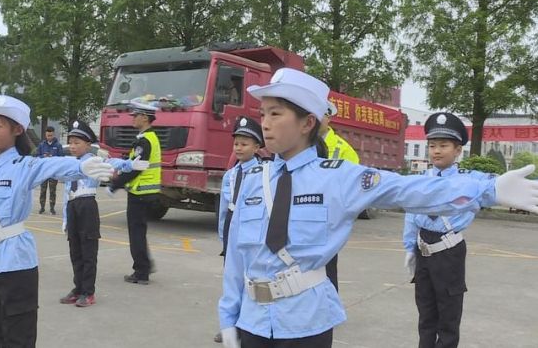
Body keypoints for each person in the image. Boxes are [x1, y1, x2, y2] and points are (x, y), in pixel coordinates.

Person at [218, 68, 538, 348]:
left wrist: (490, 189)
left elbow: (411, 189)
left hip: (306, 322)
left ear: (307, 123)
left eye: (276, 114)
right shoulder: (252, 180)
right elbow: (236, 256)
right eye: (263, 114)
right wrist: (228, 315)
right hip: (253, 321)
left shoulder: (338, 177)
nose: (266, 124)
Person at [0, 95, 114, 347]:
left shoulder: (24, 165)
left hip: (15, 263)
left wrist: (82, 167)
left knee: (19, 335)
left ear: (17, 129)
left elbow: (53, 166)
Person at [402, 112, 491, 348]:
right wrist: (409, 246)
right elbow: (412, 214)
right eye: (432, 145)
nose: (436, 151)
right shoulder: (421, 179)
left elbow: (493, 187)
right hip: (423, 249)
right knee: (426, 313)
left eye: (443, 145)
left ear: (458, 150)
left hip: (449, 251)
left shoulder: (470, 179)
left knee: (448, 317)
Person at [59, 120, 148, 308]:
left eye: (77, 143)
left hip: (87, 206)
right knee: (75, 251)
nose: (73, 147)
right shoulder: (69, 163)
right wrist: (66, 220)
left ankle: (88, 292)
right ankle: (77, 289)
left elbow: (113, 163)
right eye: (71, 143)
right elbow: (66, 192)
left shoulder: (95, 161)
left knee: (88, 251)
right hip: (72, 206)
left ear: (88, 145)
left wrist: (130, 164)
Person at [214, 116, 264, 343]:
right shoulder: (231, 174)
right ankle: (230, 324)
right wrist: (223, 237)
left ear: (257, 146)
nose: (239, 148)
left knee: (249, 279)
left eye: (245, 144)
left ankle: (247, 325)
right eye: (236, 143)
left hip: (251, 228)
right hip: (233, 223)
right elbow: (224, 208)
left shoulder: (264, 172)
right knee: (231, 279)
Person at [108, 102, 161, 285]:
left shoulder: (144, 140)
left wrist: (115, 184)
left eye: (135, 115)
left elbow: (136, 169)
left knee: (136, 233)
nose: (133, 118)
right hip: (147, 192)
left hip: (140, 193)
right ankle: (144, 265)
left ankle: (141, 271)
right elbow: (131, 162)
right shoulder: (149, 138)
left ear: (145, 118)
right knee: (140, 231)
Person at [319, 101, 360, 292]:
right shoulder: (300, 145)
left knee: (327, 270)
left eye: (322, 115)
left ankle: (328, 313)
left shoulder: (343, 149)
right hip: (301, 216)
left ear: (329, 118)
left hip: (328, 218)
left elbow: (354, 187)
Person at [36, 126, 64, 214]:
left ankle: (52, 208)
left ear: (53, 134)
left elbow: (62, 157)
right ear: (45, 135)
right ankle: (42, 207)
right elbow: (36, 156)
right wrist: (43, 156)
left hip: (53, 172)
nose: (49, 137)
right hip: (44, 172)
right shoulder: (42, 145)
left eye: (51, 135)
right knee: (43, 190)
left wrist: (53, 157)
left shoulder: (58, 145)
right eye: (48, 135)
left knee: (52, 191)